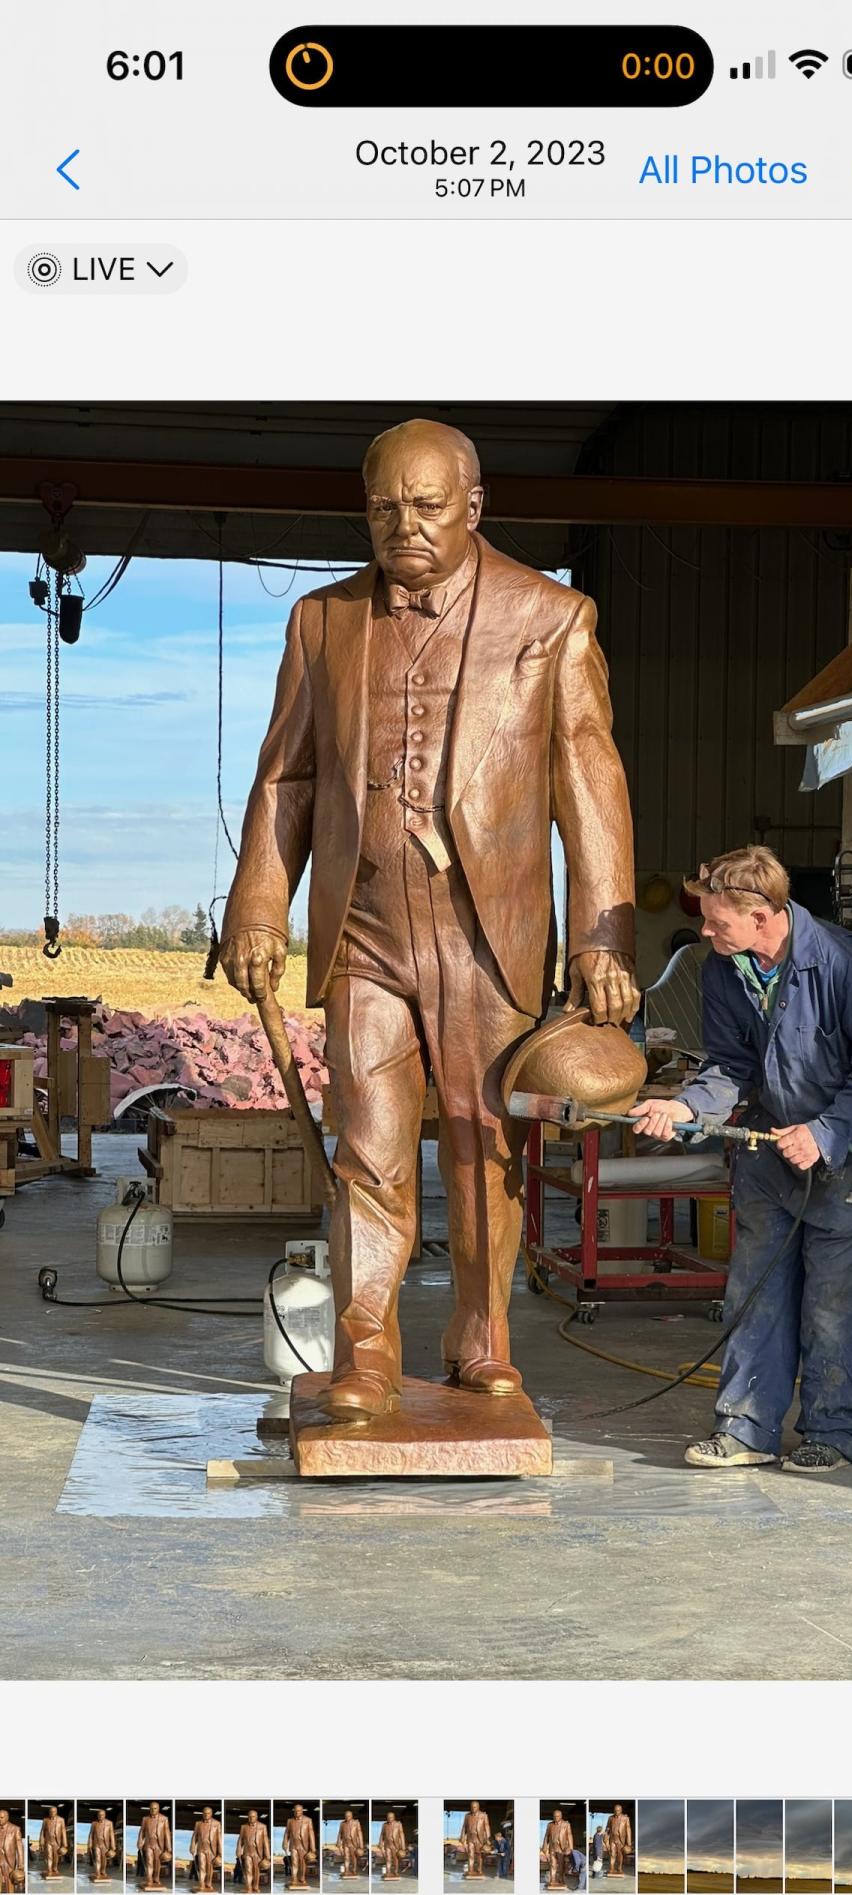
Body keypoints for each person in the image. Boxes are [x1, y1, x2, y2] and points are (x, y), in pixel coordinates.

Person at [220, 418, 638, 1422]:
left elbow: (589, 778)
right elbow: (288, 773)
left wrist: (603, 936)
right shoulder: (322, 621)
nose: (403, 525)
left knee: (480, 1139)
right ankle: (365, 1350)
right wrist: (258, 903)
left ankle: (482, 1342)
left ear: (474, 505)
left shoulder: (550, 615)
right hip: (365, 925)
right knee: (366, 1137)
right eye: (383, 508)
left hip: (486, 934)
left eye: (426, 505)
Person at [632, 847, 852, 1472]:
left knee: (834, 1307)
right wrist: (686, 1109)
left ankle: (829, 1434)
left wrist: (827, 1131)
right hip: (767, 1160)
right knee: (755, 1296)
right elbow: (732, 1068)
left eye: (714, 920)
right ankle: (746, 1431)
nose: (704, 931)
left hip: (848, 1167)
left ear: (761, 916)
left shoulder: (842, 964)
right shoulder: (723, 970)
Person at [282, 1804, 316, 1891]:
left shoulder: (308, 1820)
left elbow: (311, 1834)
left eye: (299, 1811)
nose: (297, 1812)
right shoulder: (290, 1821)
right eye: (295, 1811)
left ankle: (302, 1878)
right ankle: (294, 1878)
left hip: (304, 1846)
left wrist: (313, 1848)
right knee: (294, 1862)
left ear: (302, 1811)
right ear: (294, 1811)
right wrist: (285, 1842)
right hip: (294, 1845)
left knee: (302, 1863)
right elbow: (287, 1833)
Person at [190, 1807, 222, 1894]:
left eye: (208, 1813)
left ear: (211, 1814)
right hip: (201, 1849)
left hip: (212, 1850)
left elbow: (219, 1839)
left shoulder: (217, 1824)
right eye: (204, 1813)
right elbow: (194, 1837)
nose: (206, 1815)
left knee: (209, 1868)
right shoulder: (198, 1824)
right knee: (202, 1867)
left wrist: (220, 1853)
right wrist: (192, 1846)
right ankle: (201, 1884)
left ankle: (208, 1883)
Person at [237, 1810, 270, 1895]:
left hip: (258, 1853)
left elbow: (265, 1841)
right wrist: (238, 1849)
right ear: (248, 1817)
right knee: (248, 1870)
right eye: (250, 1816)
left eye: (253, 1816)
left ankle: (255, 1886)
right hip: (247, 1852)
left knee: (256, 1871)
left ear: (257, 1817)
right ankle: (248, 1887)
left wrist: (267, 1856)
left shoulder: (263, 1826)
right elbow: (240, 1839)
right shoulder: (243, 1827)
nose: (251, 1818)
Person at [460, 1801, 492, 1879]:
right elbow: (464, 1827)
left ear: (478, 1807)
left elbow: (487, 1826)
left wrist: (487, 1838)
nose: (473, 1808)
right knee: (470, 1854)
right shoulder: (467, 1816)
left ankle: (479, 1869)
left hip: (479, 1839)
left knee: (479, 1855)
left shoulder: (483, 1815)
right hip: (470, 1838)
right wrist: (462, 1837)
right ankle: (470, 1870)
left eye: (475, 1807)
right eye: (472, 1807)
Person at [87, 1809, 117, 1884]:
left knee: (104, 1859)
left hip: (105, 1845)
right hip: (96, 1844)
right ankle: (97, 1873)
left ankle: (103, 1871)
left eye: (102, 1815)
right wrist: (89, 1844)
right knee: (97, 1858)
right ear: (97, 1815)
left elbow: (111, 1835)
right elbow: (91, 1835)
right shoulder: (94, 1823)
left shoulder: (109, 1823)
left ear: (105, 1815)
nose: (100, 1816)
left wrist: (113, 1847)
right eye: (99, 1815)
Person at [0, 1810, 24, 1895]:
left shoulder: (15, 1829)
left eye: (2, 1817)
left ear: (7, 1817)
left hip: (9, 1861)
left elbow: (20, 1848)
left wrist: (21, 1866)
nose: (0, 1819)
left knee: (9, 1884)